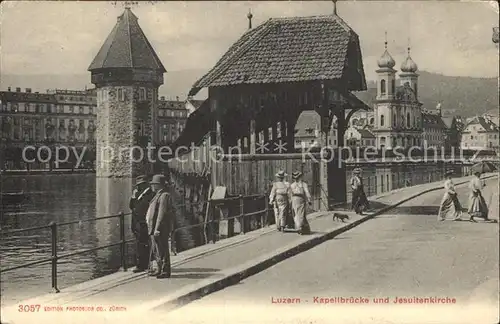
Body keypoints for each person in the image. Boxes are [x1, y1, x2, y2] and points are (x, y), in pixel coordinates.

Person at [146, 174, 175, 278]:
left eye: (154, 184)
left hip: (159, 228)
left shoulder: (164, 196)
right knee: (157, 250)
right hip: (153, 227)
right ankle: (159, 269)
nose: (152, 186)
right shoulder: (158, 194)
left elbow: (161, 214)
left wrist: (157, 228)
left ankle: (165, 271)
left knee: (162, 249)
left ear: (159, 185)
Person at [129, 175, 155, 273]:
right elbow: (131, 206)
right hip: (137, 223)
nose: (138, 187)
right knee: (140, 244)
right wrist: (133, 197)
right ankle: (142, 264)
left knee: (143, 244)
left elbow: (144, 208)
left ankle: (143, 265)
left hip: (143, 223)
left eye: (140, 185)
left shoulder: (149, 194)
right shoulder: (138, 193)